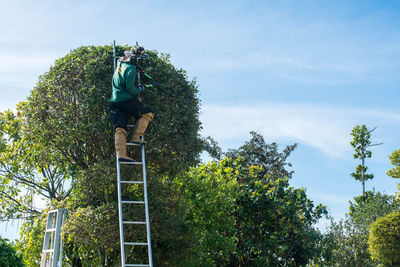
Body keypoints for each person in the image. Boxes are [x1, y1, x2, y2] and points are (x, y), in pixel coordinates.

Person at [110, 45, 154, 162]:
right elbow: (130, 88)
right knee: (147, 113)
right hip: (126, 99)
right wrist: (140, 89)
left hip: (115, 100)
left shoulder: (121, 62)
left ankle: (121, 155)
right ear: (136, 59)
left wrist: (136, 67)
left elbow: (123, 58)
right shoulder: (131, 70)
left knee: (120, 127)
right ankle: (136, 137)